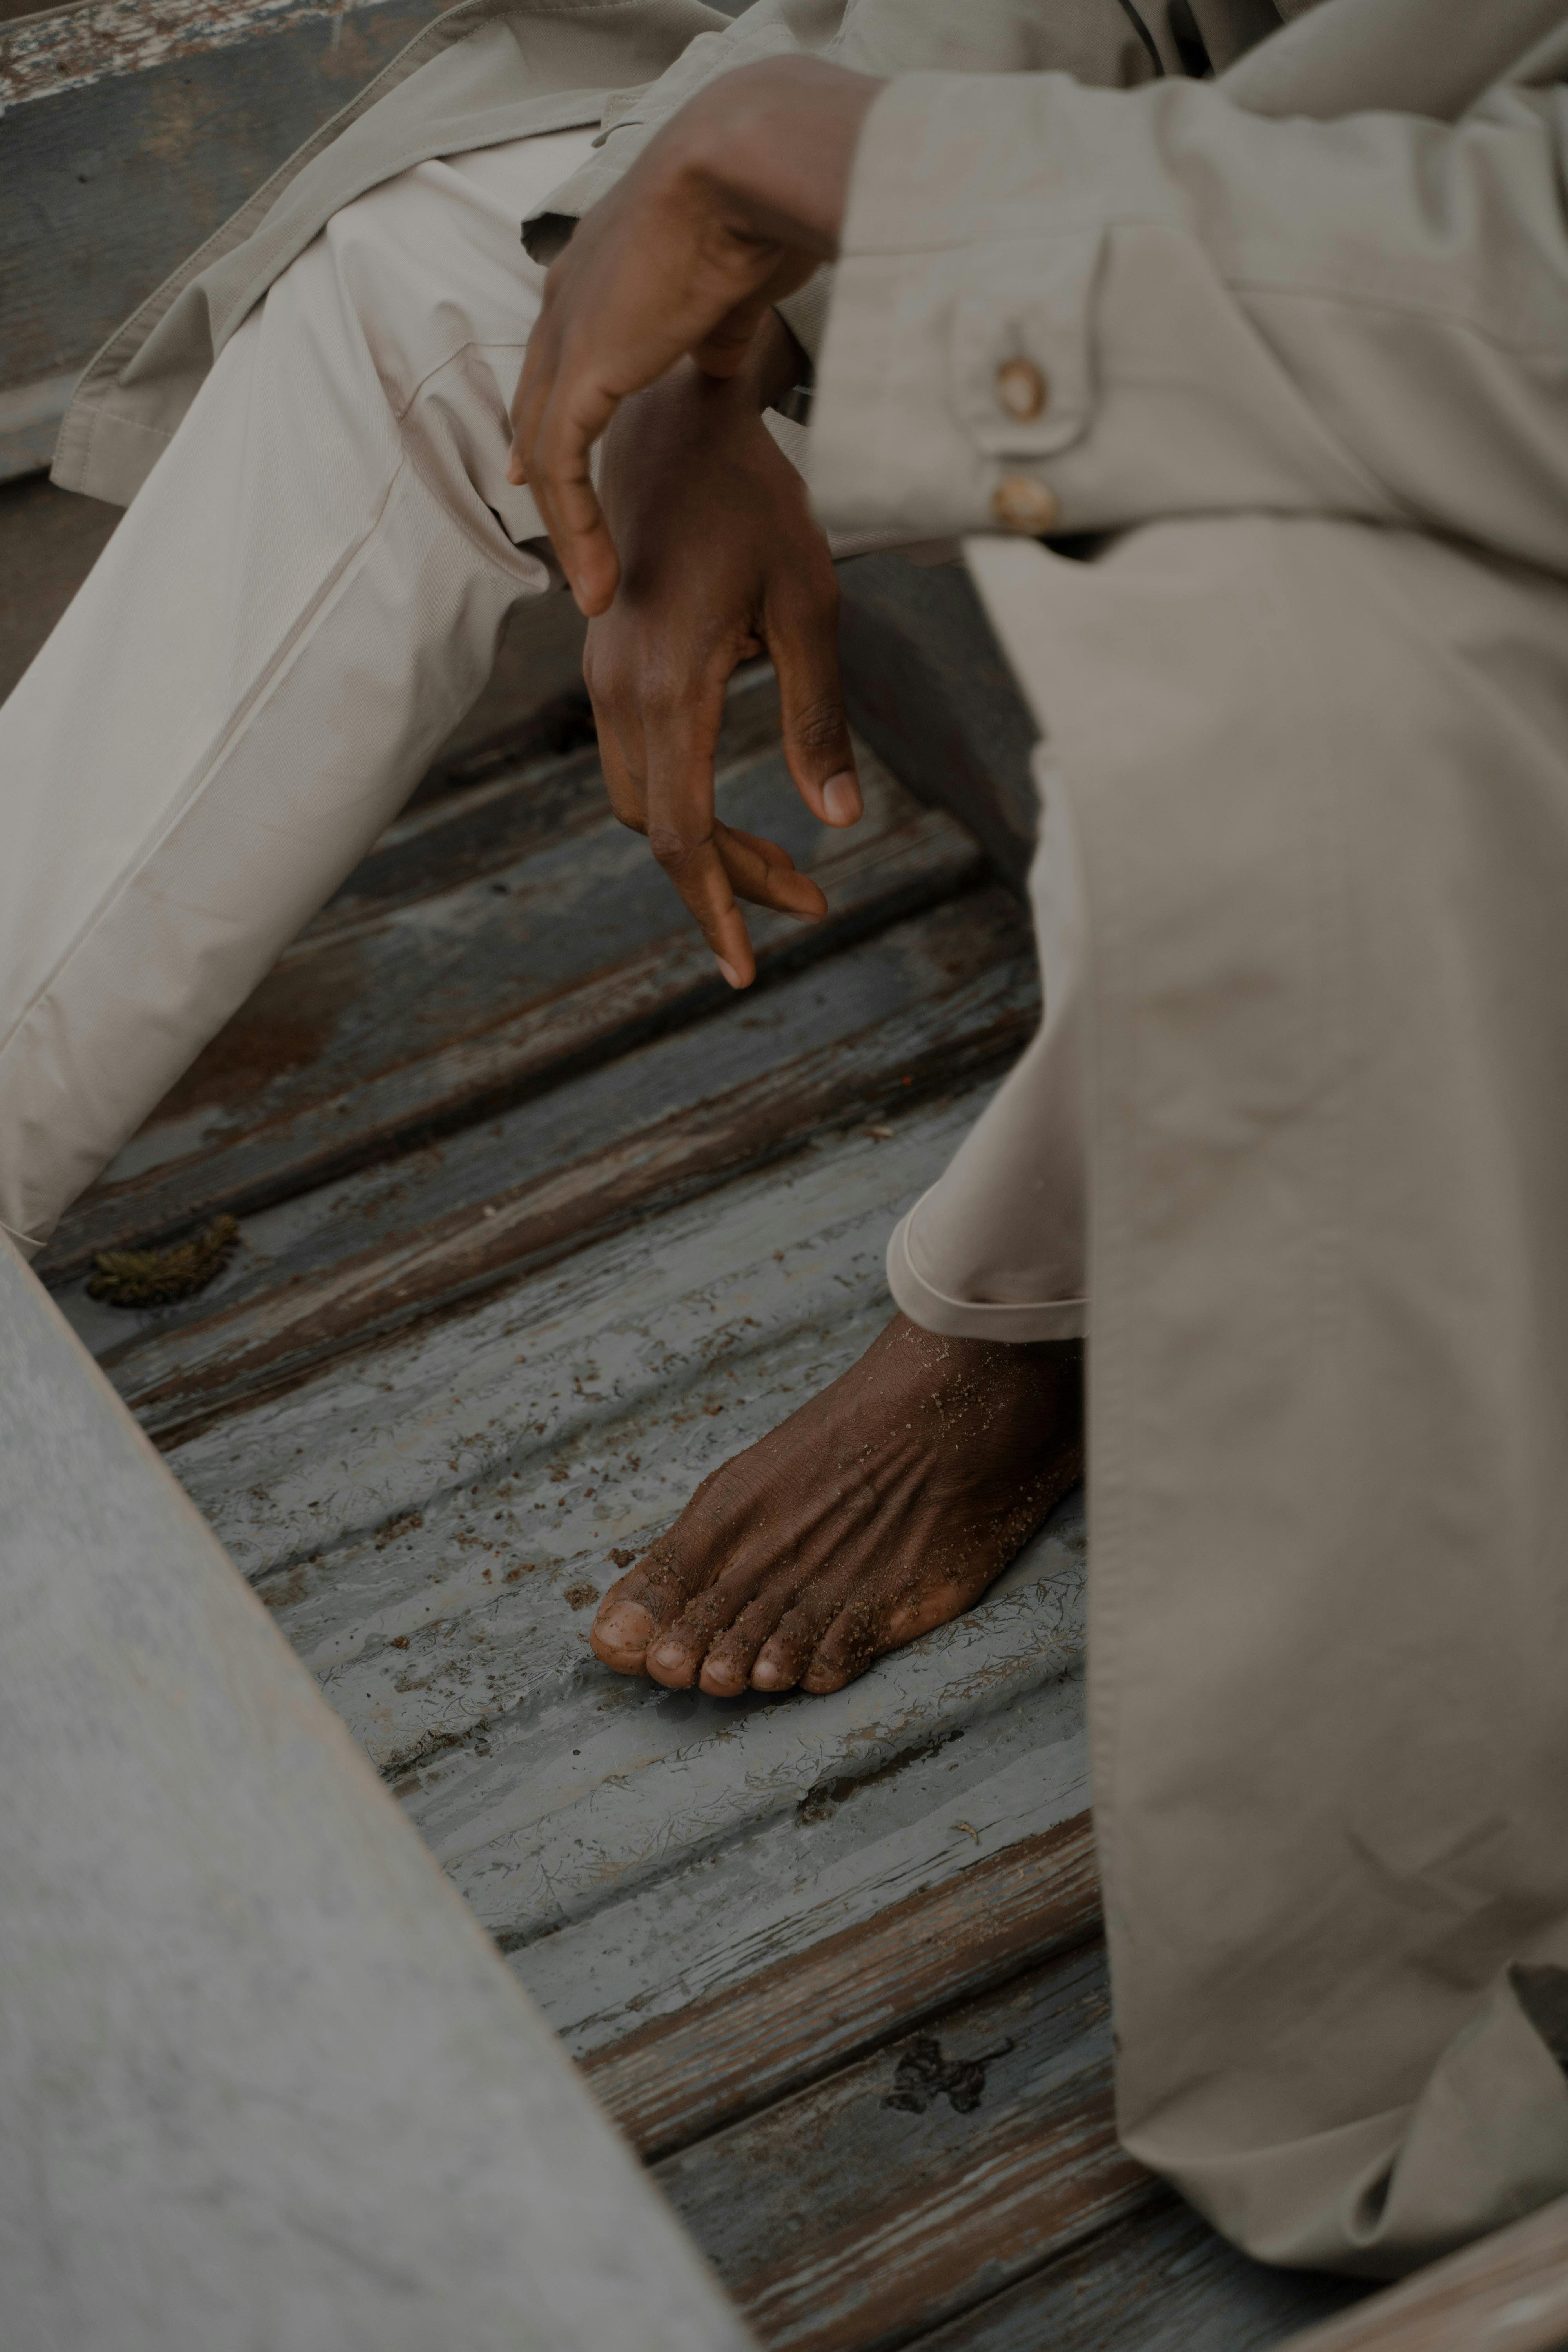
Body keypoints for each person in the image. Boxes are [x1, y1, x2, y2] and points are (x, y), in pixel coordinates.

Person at [5, 0, 1568, 2283]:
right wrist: (728, 328)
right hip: (1335, 180)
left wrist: (871, 195)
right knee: (487, 283)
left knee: (1290, 650)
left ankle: (1031, 1337)